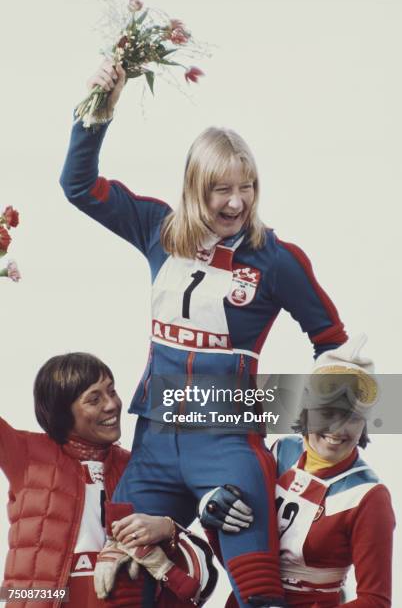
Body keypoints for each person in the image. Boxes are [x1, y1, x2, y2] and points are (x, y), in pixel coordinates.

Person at [60, 60, 347, 608]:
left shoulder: (276, 259)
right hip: (154, 442)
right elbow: (78, 186)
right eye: (221, 189)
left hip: (227, 446)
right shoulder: (156, 228)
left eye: (247, 187)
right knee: (123, 584)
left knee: (260, 593)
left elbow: (332, 343)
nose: (236, 202)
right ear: (195, 187)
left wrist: (318, 429)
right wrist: (97, 108)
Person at [0, 353, 217, 608]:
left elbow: (200, 561)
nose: (112, 404)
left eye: (112, 391)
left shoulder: (140, 467)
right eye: (94, 399)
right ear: (61, 413)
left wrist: (167, 528)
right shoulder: (25, 453)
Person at [220, 335, 395, 607]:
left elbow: (375, 601)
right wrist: (210, 510)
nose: (338, 430)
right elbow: (237, 540)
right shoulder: (280, 452)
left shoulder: (369, 496)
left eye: (352, 418)